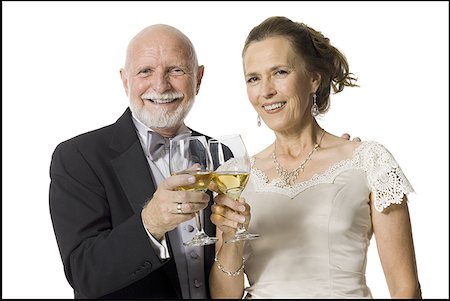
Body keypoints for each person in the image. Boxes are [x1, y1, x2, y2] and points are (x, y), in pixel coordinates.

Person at [209, 16, 422, 299]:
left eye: (280, 72)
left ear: (313, 79)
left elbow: (405, 288)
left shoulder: (370, 161)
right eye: (254, 78)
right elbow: (224, 297)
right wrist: (233, 239)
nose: (266, 90)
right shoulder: (236, 175)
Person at [49, 24, 217, 299]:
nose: (160, 85)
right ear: (125, 80)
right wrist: (150, 222)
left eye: (176, 70)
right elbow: (84, 275)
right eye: (145, 71)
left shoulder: (220, 153)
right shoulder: (78, 157)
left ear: (198, 78)